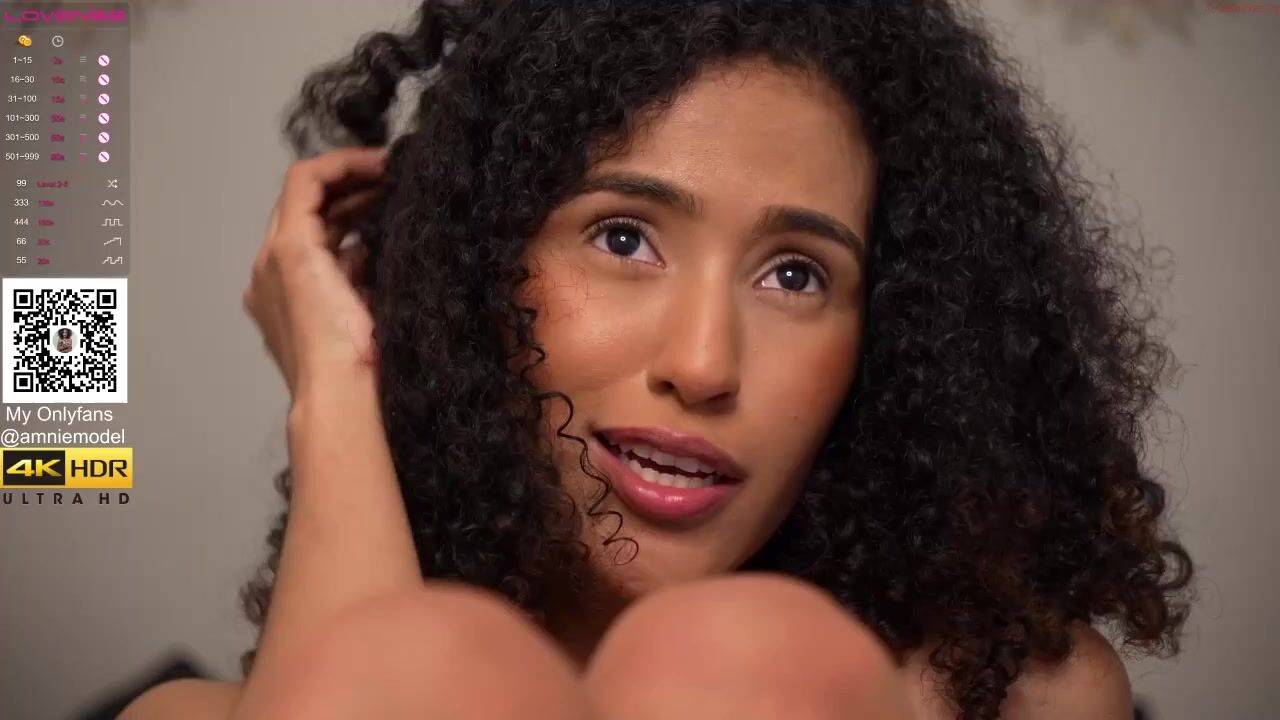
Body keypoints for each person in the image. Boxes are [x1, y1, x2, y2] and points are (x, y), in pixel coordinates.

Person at [123, 1, 1193, 718]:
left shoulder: (1000, 697)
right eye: (624, 238)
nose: (704, 362)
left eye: (795, 274)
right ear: (471, 273)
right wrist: (337, 382)